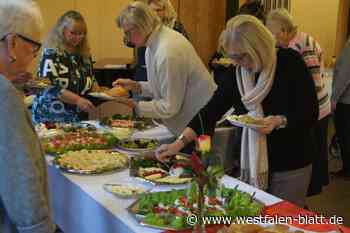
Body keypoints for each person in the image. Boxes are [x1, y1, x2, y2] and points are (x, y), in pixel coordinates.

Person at [157, 15, 319, 207]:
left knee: (285, 221)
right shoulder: (237, 73)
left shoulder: (289, 62)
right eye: (232, 57)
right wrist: (177, 144)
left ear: (258, 47)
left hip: (291, 161)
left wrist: (279, 121)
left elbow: (310, 112)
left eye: (241, 56)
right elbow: (210, 111)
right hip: (251, 162)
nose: (237, 62)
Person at [114, 2, 216, 137]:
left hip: (200, 123)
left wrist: (136, 106)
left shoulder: (167, 50)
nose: (127, 38)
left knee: (199, 157)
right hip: (189, 122)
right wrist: (136, 86)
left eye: (128, 32)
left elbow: (169, 106)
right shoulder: (154, 42)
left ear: (141, 25)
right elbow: (165, 87)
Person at [0, 0, 55, 232]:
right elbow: (21, 177)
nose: (34, 57)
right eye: (33, 48)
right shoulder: (3, 95)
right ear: (12, 43)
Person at [266, 8, 331, 196]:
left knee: (312, 156)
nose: (272, 39)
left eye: (273, 33)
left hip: (317, 108)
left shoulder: (300, 44)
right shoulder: (298, 41)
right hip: (315, 108)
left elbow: (314, 84)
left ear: (285, 30)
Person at [32, 10, 122, 124]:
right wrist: (77, 100)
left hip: (77, 117)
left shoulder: (84, 55)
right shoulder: (52, 53)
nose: (78, 37)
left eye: (81, 33)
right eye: (73, 33)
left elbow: (91, 82)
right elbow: (46, 86)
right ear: (62, 30)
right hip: (51, 117)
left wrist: (109, 93)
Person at [134, 0, 188, 82]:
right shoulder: (143, 25)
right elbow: (128, 42)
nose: (155, 13)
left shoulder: (175, 25)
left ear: (166, 10)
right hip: (144, 73)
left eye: (158, 10)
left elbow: (185, 47)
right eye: (151, 10)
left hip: (167, 72)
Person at [331, 38, 350, 179]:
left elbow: (344, 75)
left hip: (346, 102)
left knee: (345, 136)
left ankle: (347, 170)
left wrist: (334, 99)